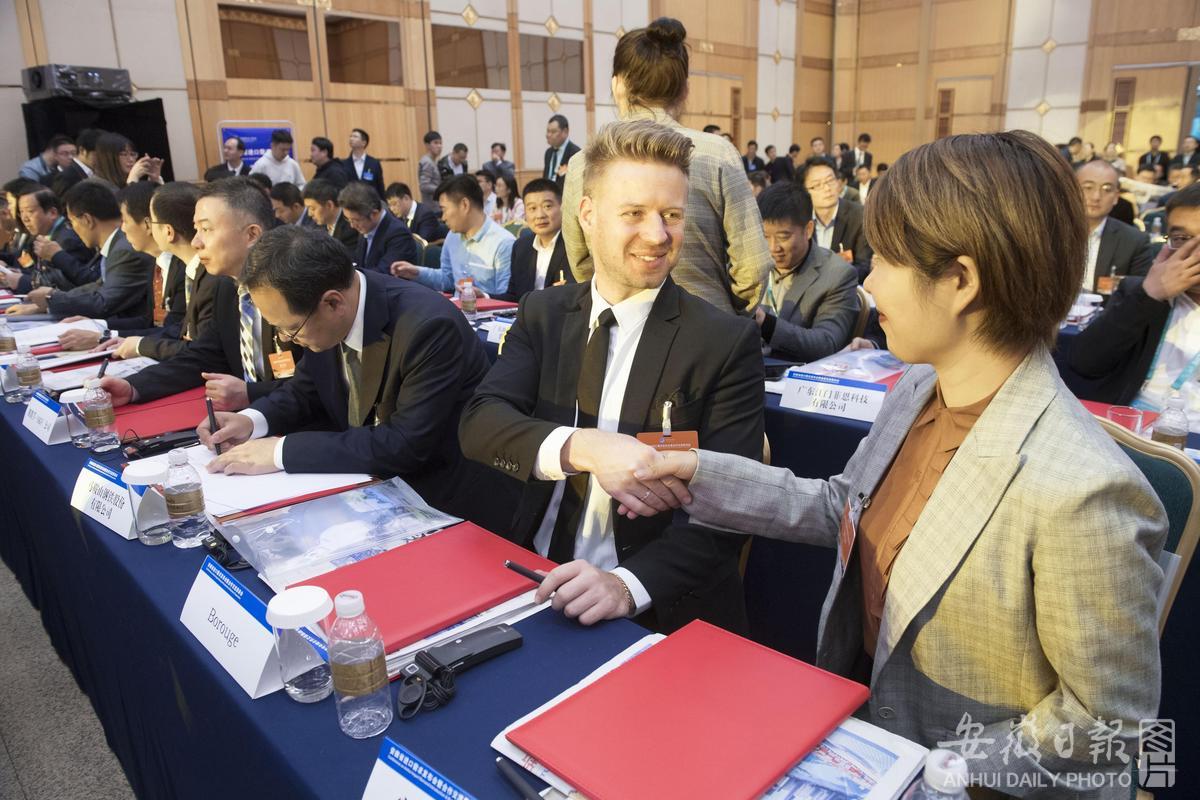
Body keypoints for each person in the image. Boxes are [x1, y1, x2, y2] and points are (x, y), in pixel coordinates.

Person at [632, 130, 1164, 793]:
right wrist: (696, 472)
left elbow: (1104, 721)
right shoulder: (920, 387)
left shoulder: (1082, 489)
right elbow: (843, 504)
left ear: (961, 281)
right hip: (859, 736)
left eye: (885, 259)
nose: (868, 280)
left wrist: (937, 771)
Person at [459, 120, 765, 633]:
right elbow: (480, 423)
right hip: (532, 576)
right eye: (634, 214)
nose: (658, 235)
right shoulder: (544, 313)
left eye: (672, 215)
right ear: (588, 215)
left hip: (654, 608)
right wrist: (588, 448)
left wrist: (625, 586)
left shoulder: (722, 341)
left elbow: (730, 508)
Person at [194, 226, 516, 531]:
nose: (285, 339)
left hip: (443, 501)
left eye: (291, 328)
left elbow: (403, 444)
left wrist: (280, 451)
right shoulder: (322, 313)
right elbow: (306, 390)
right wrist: (251, 420)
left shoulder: (427, 327)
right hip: (368, 487)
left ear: (333, 303)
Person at [562, 18, 771, 316]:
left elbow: (582, 263)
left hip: (620, 322)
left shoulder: (583, 163)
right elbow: (753, 265)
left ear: (618, 85)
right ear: (685, 89)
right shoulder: (717, 154)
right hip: (707, 324)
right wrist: (732, 315)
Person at [99, 177, 298, 411]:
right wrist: (133, 387)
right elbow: (203, 356)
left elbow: (312, 384)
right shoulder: (227, 287)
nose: (196, 242)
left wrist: (250, 394)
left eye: (206, 229)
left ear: (251, 235)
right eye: (196, 230)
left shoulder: (294, 285)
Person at [1068, 184, 1200, 410]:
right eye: (1181, 238)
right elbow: (1084, 363)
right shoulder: (1142, 293)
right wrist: (1149, 294)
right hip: (1132, 422)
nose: (1194, 252)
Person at [7, 180, 154, 323]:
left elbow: (103, 302)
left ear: (87, 220)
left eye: (72, 222)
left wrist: (51, 298)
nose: (72, 229)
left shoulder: (124, 249)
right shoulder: (116, 245)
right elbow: (97, 286)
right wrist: (48, 303)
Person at [755, 182, 858, 361]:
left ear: (808, 230)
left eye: (783, 237)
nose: (773, 248)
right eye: (765, 237)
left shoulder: (837, 274)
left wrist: (765, 323)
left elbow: (827, 343)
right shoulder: (748, 262)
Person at [390, 175, 513, 296]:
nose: (443, 218)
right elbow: (447, 278)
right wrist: (417, 273)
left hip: (488, 309)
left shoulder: (503, 243)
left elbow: (508, 298)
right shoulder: (453, 236)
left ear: (464, 205)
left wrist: (484, 297)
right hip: (456, 307)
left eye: (444, 210)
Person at [1075, 160, 1153, 292]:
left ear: (1116, 197)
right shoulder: (1051, 232)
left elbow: (1138, 294)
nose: (1096, 196)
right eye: (1088, 187)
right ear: (1073, 190)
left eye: (1107, 189)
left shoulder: (1135, 241)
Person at [497, 178, 572, 301]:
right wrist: (484, 296)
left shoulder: (574, 246)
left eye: (547, 206)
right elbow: (514, 296)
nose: (540, 215)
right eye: (532, 208)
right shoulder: (521, 247)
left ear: (562, 206)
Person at [10, 188, 95, 293]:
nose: (24, 218)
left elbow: (68, 285)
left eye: (30, 211)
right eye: (21, 212)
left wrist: (23, 280)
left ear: (52, 213)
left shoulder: (68, 239)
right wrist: (21, 273)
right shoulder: (41, 235)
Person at [803, 156, 872, 282]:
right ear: (805, 191)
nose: (827, 189)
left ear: (838, 182)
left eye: (830, 181)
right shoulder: (800, 219)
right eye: (817, 185)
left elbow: (863, 266)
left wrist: (829, 283)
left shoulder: (860, 216)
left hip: (845, 288)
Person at [338, 182, 417, 274]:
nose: (352, 225)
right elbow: (359, 263)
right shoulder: (366, 227)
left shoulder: (399, 234)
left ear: (374, 214)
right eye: (348, 219)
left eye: (355, 220)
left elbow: (383, 274)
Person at [303, 179, 360, 254]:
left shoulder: (351, 227)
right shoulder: (315, 225)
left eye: (313, 208)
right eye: (308, 209)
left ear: (329, 205)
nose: (309, 214)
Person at [51, 128, 102, 197]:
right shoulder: (66, 177)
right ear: (82, 151)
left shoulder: (98, 173)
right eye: (98, 154)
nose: (102, 159)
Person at [344, 128, 385, 198]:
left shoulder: (374, 163)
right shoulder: (344, 164)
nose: (351, 139)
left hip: (370, 202)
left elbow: (380, 187)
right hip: (351, 202)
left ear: (364, 143)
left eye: (355, 136)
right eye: (350, 136)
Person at [544, 114, 580, 188]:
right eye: (548, 131)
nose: (548, 135)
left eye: (553, 132)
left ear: (565, 132)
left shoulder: (576, 153)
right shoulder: (548, 152)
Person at [418, 131, 443, 204]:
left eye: (440, 143)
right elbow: (424, 186)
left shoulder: (432, 161)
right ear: (427, 145)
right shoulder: (427, 162)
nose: (439, 146)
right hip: (431, 205)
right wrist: (442, 189)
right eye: (436, 143)